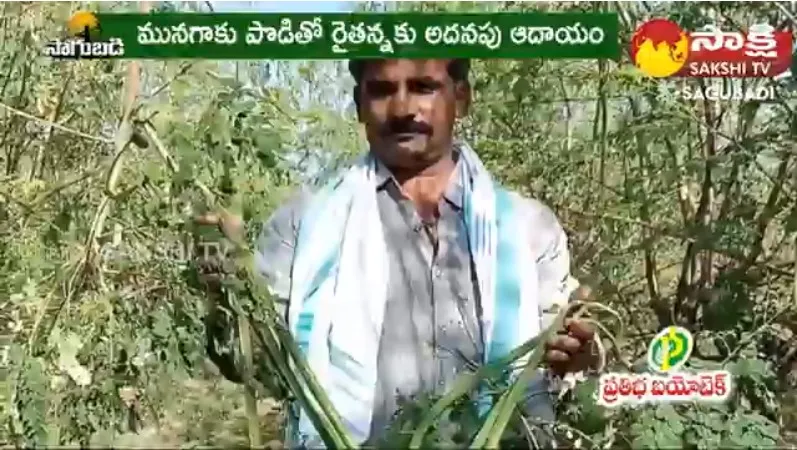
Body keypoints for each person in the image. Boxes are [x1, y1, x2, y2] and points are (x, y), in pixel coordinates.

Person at [196, 58, 600, 448]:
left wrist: (575, 356)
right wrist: (225, 294)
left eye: (424, 87)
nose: (404, 108)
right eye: (383, 90)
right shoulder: (303, 228)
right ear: (359, 104)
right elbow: (261, 369)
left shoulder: (529, 228)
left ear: (461, 97)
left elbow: (556, 366)